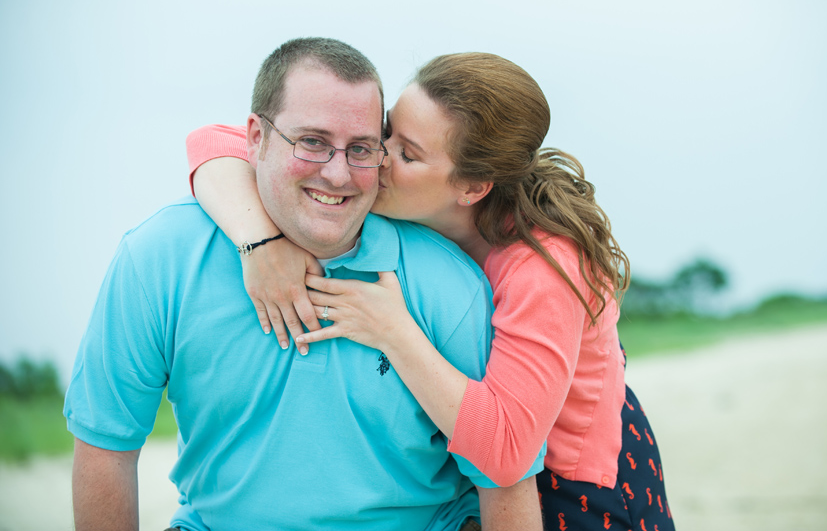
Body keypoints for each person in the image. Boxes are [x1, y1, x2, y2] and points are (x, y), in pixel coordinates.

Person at [64, 38, 543, 531]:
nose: (337, 174)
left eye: (360, 149)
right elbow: (107, 445)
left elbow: (503, 478)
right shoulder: (159, 258)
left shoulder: (452, 285)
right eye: (312, 141)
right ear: (255, 138)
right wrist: (257, 242)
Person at [188, 52, 675, 530]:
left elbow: (507, 452)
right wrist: (260, 243)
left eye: (407, 154)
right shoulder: (421, 202)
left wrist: (392, 331)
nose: (373, 160)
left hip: (573, 486)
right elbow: (213, 142)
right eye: (385, 134)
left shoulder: (542, 267)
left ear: (471, 186)